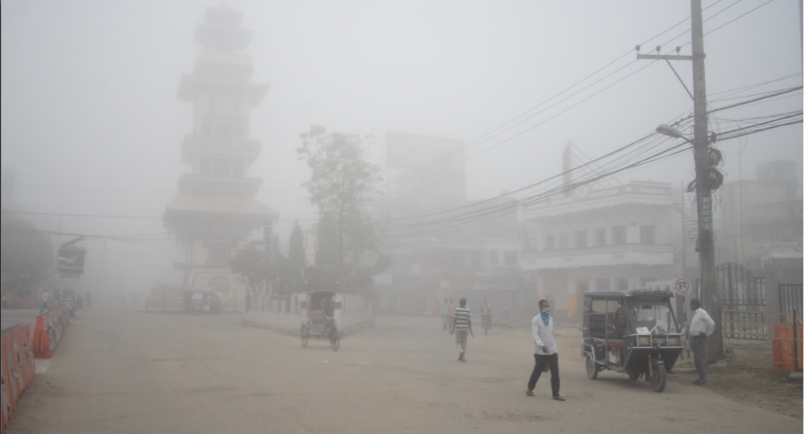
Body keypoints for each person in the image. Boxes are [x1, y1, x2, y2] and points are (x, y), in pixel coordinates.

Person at [526, 299, 564, 401]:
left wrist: (552, 345)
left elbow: (551, 333)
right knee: (538, 370)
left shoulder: (551, 319)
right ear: (540, 307)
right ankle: (530, 388)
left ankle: (555, 393)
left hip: (552, 350)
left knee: (555, 371)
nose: (548, 308)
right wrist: (541, 345)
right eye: (546, 306)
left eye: (549, 306)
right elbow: (535, 334)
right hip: (540, 351)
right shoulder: (536, 319)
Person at [689, 298, 715, 386]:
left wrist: (707, 333)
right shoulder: (696, 314)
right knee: (697, 359)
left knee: (700, 359)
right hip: (695, 339)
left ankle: (703, 378)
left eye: (691, 305)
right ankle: (700, 377)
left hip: (700, 339)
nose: (690, 307)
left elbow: (711, 323)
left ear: (694, 305)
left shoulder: (702, 313)